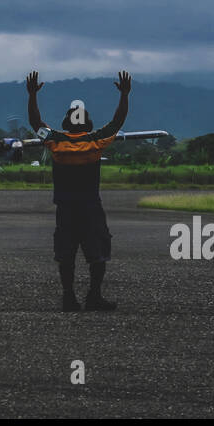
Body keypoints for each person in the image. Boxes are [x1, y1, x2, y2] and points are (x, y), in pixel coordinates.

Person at [26, 70, 131, 312]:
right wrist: (124, 96)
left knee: (66, 253)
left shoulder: (55, 141)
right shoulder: (96, 141)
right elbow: (117, 123)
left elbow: (35, 123)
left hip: (65, 207)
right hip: (91, 207)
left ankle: (68, 297)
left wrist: (32, 96)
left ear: (65, 123)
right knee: (98, 253)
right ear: (89, 122)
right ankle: (94, 295)